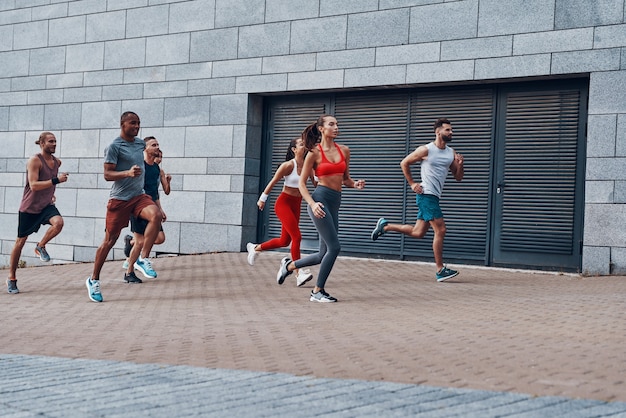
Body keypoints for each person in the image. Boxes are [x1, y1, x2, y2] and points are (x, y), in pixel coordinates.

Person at [275, 115, 365, 302]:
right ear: (322, 129)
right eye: (331, 124)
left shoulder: (345, 151)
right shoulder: (314, 153)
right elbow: (301, 183)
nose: (336, 127)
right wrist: (312, 203)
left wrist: (355, 184)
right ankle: (317, 291)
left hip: (335, 202)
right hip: (320, 201)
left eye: (337, 124)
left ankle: (290, 266)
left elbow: (345, 179)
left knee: (323, 254)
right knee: (335, 247)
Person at [370, 117, 464, 282]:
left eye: (451, 130)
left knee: (418, 232)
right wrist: (412, 183)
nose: (451, 132)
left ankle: (385, 226)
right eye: (448, 130)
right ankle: (440, 270)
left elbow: (458, 177)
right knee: (441, 230)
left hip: (434, 196)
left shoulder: (451, 153)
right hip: (426, 195)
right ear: (438, 132)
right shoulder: (426, 150)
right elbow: (404, 163)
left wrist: (460, 164)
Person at [86, 112, 163, 302]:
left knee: (156, 215)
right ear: (122, 124)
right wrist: (127, 173)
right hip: (119, 200)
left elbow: (148, 161)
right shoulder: (114, 146)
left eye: (138, 123)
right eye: (133, 123)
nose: (136, 126)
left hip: (139, 197)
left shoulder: (139, 144)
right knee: (109, 240)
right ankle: (93, 279)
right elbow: (107, 174)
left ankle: (142, 259)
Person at [246, 137, 316, 287]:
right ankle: (298, 273)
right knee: (297, 237)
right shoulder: (288, 166)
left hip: (296, 204)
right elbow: (273, 181)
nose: (304, 146)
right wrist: (262, 199)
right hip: (283, 203)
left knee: (285, 241)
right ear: (294, 150)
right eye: (301, 144)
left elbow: (316, 183)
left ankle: (255, 248)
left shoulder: (308, 166)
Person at [7, 132, 69, 294]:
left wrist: (51, 193)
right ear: (41, 143)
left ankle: (40, 246)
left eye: (55, 141)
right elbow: (34, 185)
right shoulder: (35, 160)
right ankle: (12, 277)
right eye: (50, 141)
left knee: (59, 223)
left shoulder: (57, 162)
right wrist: (56, 181)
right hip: (29, 208)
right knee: (20, 243)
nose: (54, 144)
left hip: (46, 206)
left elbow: (47, 183)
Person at [122, 140, 171, 279]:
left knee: (157, 238)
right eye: (154, 145)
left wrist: (160, 209)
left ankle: (134, 265)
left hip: (152, 207)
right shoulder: (139, 166)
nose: (157, 147)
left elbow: (155, 192)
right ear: (145, 148)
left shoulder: (156, 168)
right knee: (140, 242)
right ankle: (134, 266)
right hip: (138, 206)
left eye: (158, 145)